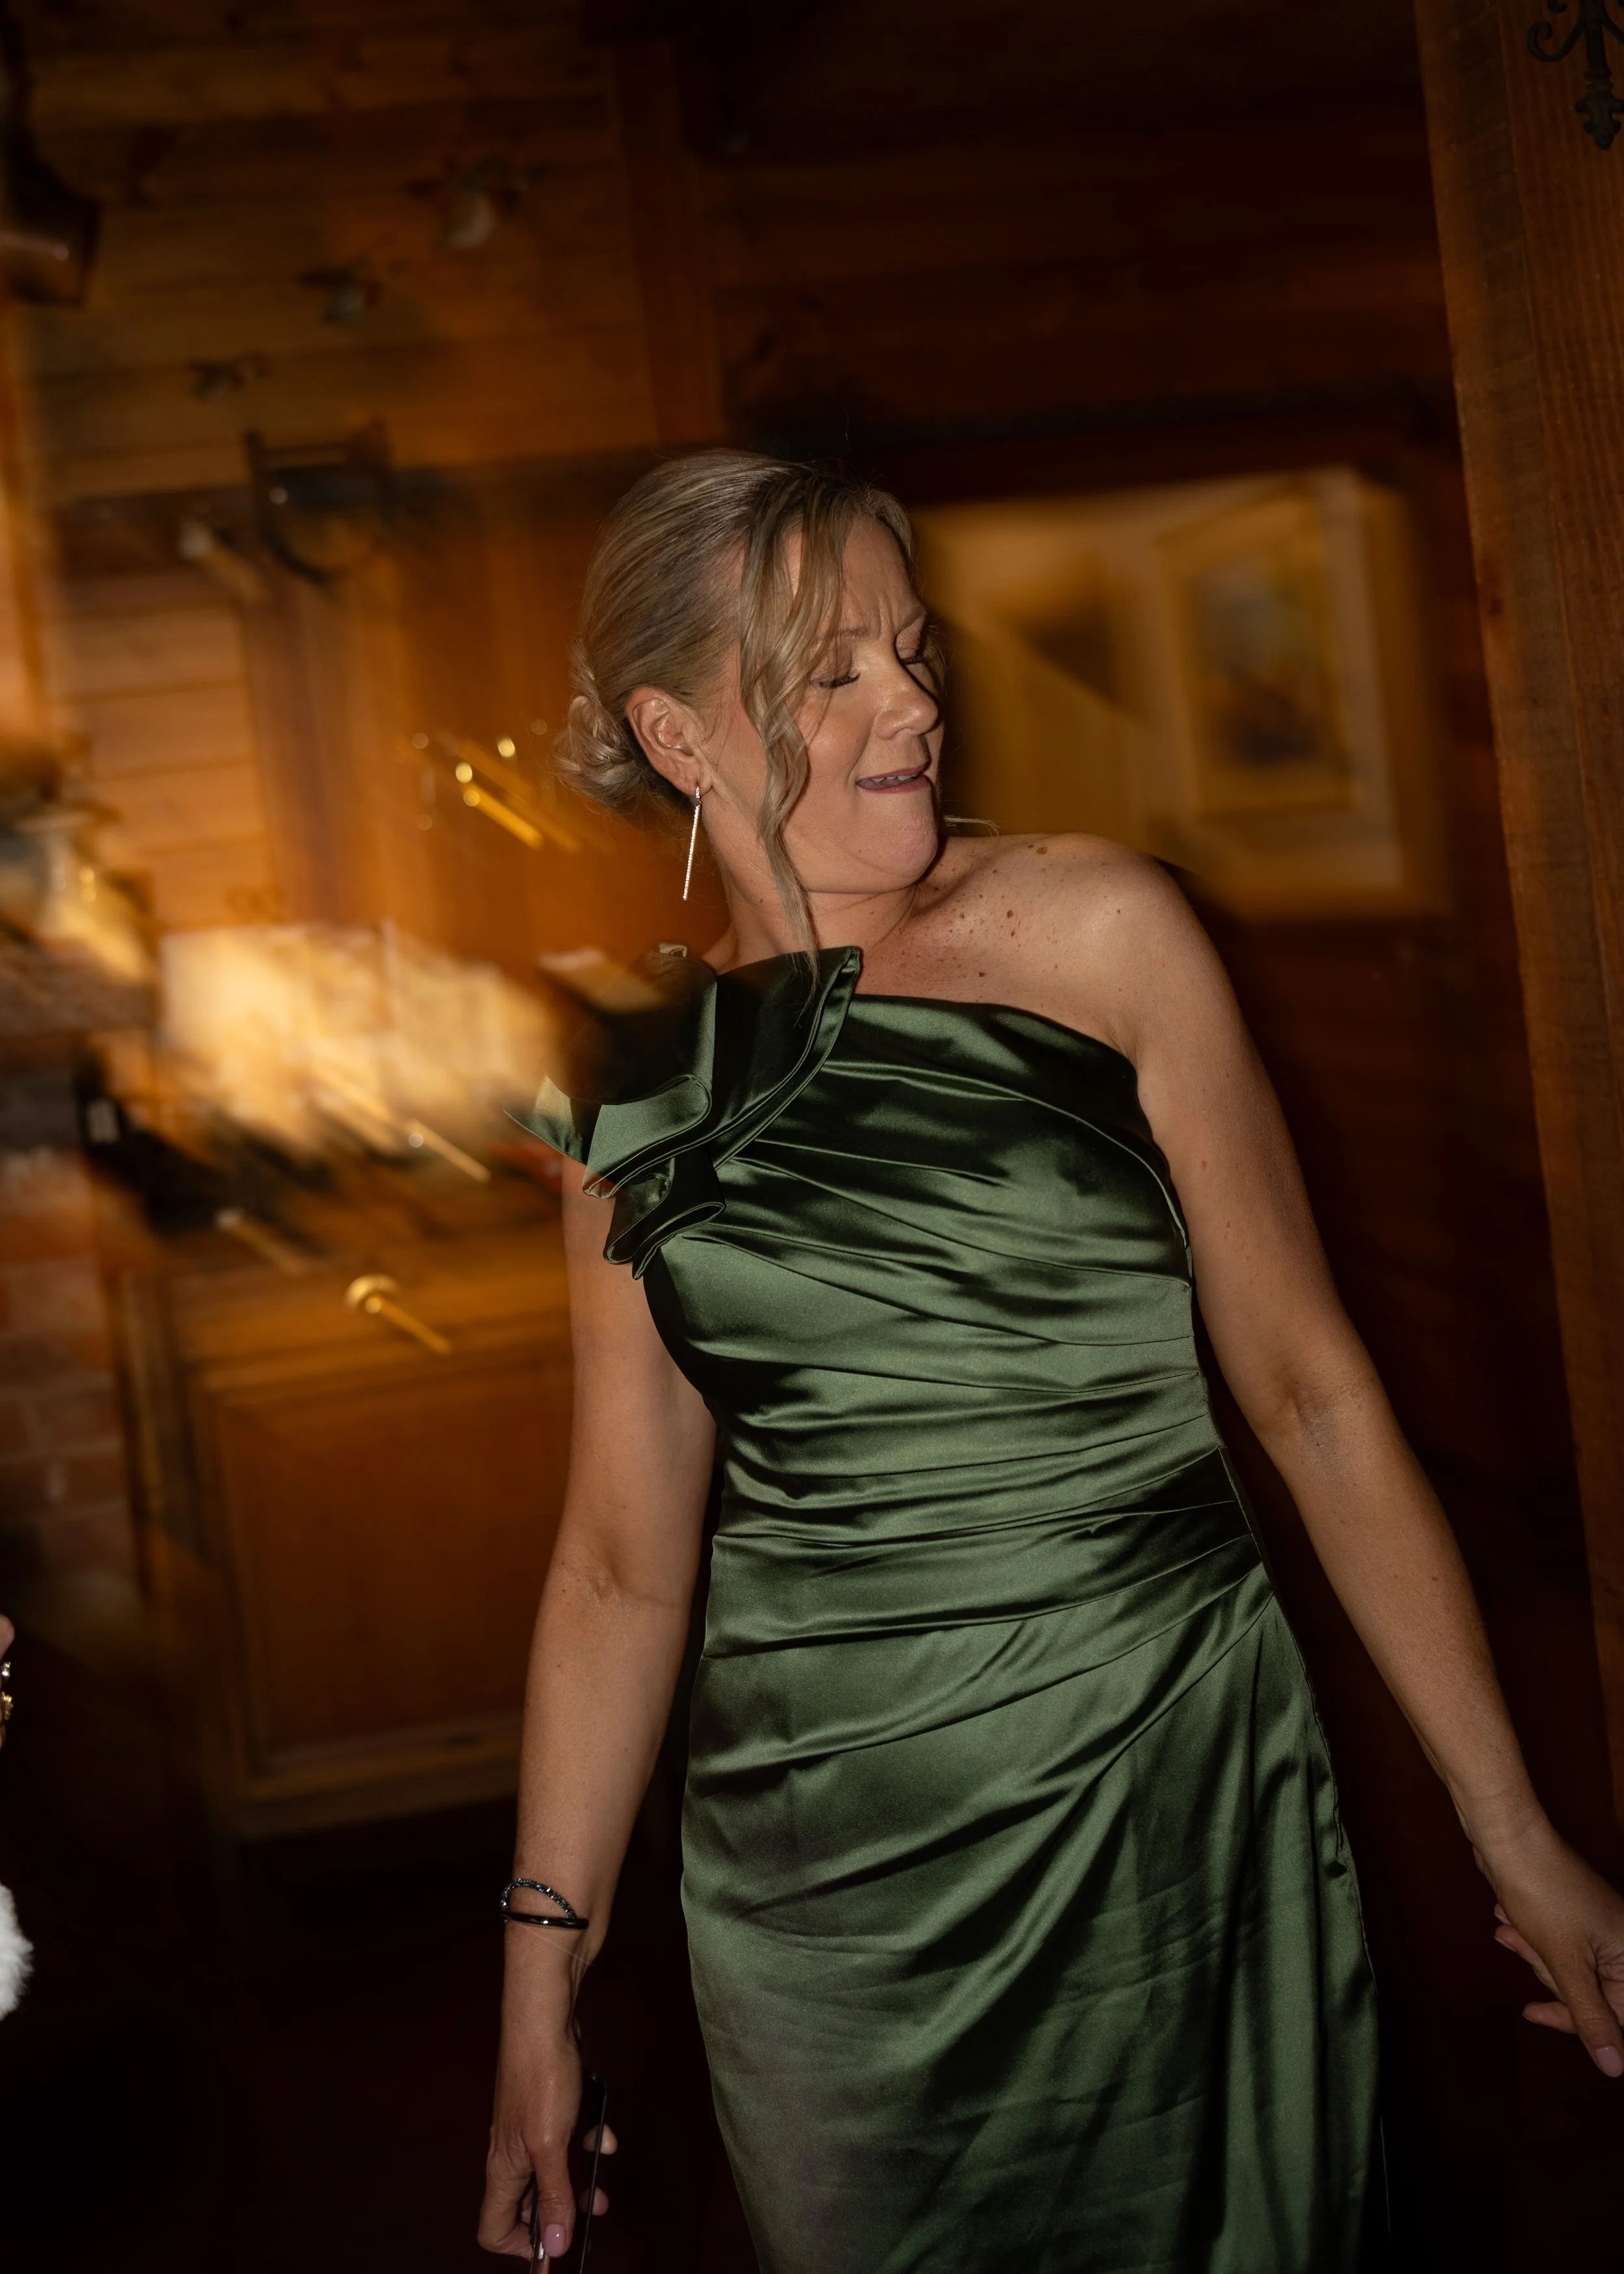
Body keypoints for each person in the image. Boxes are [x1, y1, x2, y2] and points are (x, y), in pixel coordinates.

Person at [479, 453, 1624, 2273]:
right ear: (677, 736)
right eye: (830, 675)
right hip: (826, 1890)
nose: (913, 706)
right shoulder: (630, 1081)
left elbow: (1310, 1394)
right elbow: (620, 1563)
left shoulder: (1102, 935)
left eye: (914, 652)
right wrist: (540, 1987)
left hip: (1166, 1800)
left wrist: (1515, 1832)